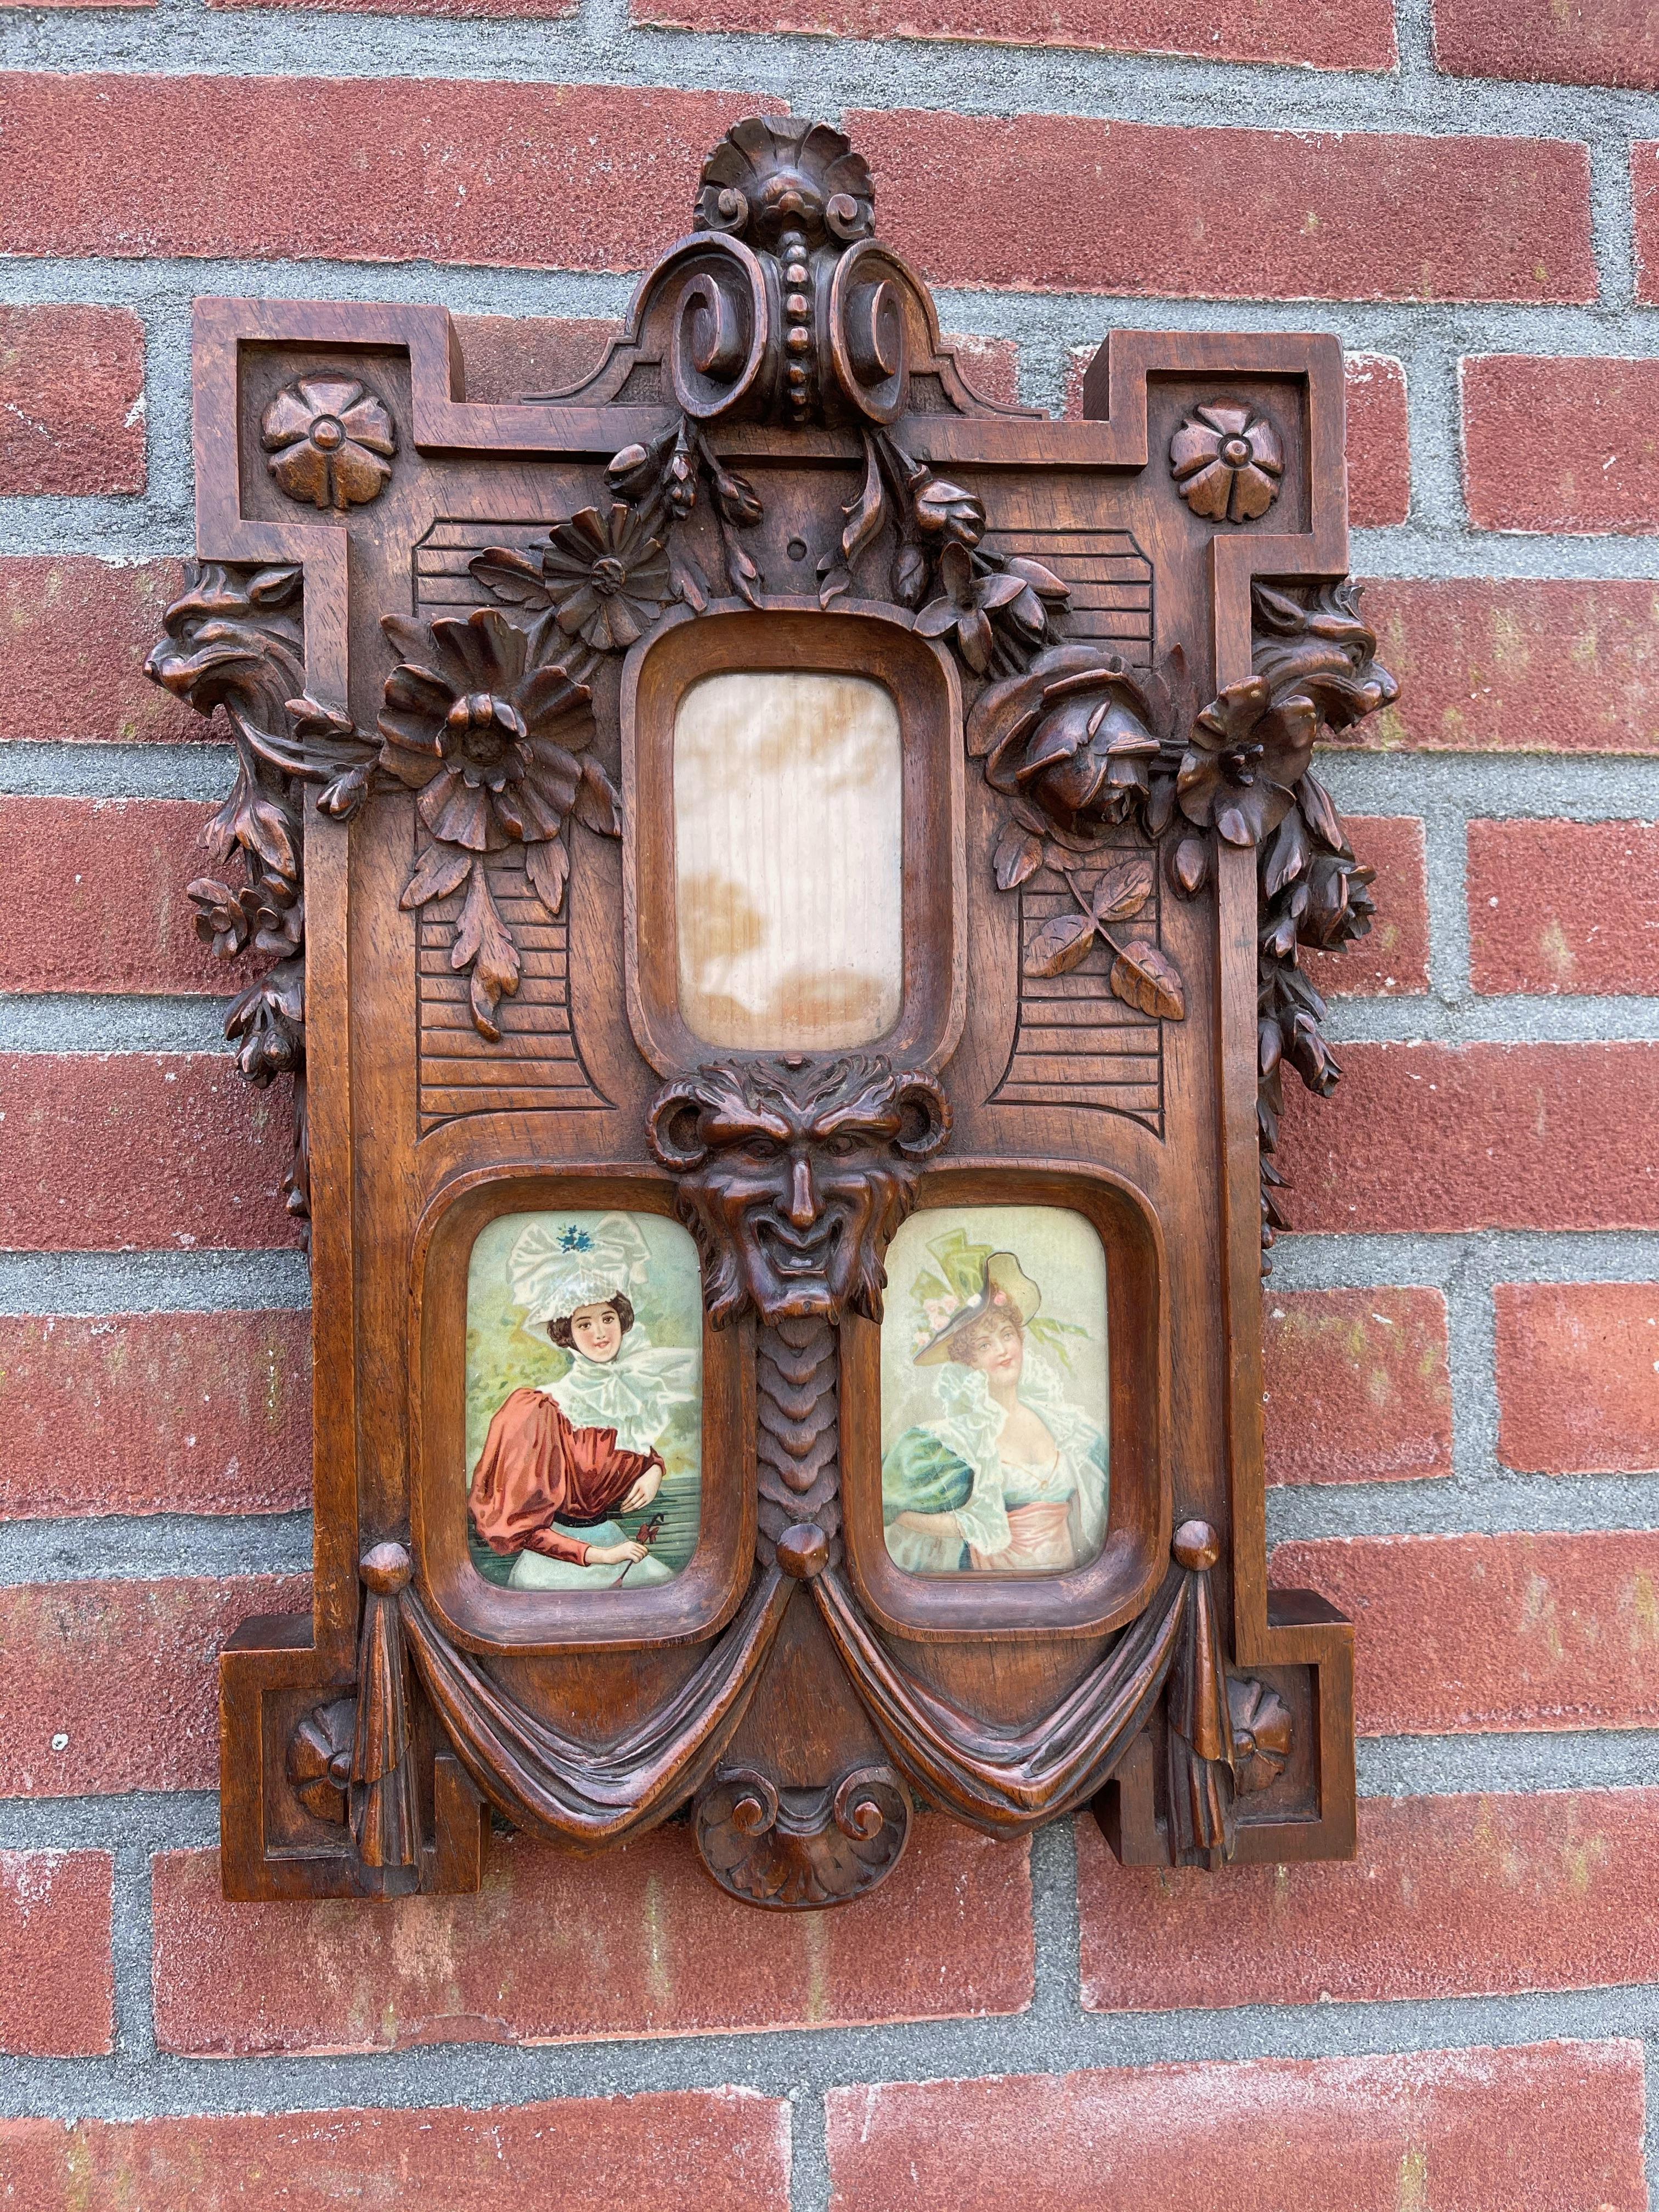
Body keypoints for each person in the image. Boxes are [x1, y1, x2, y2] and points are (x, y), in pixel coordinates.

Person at [469, 1214, 696, 1591]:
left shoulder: (628, 1393)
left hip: (614, 1544)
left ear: (622, 1322)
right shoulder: (540, 1412)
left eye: (608, 1318)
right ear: (568, 1336)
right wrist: (598, 1556)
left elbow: (628, 1449)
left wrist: (655, 1468)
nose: (600, 1333)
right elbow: (525, 1531)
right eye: (585, 1324)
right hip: (559, 1560)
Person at [882, 1249, 1108, 1575]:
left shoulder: (1066, 1424)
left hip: (1064, 1588)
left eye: (1007, 1336)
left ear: (1021, 1341)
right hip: (988, 1585)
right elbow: (888, 1505)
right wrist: (970, 1527)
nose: (1002, 1351)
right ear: (969, 1360)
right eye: (985, 1345)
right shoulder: (958, 1438)